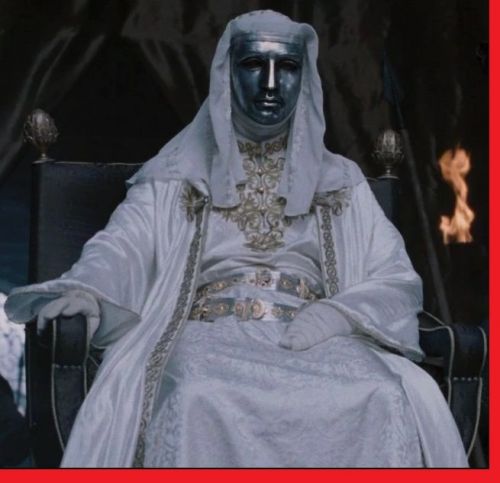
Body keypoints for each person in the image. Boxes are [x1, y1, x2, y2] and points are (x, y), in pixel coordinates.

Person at [5, 10, 468, 467]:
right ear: (228, 73)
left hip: (315, 337)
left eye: (287, 67)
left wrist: (337, 315)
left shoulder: (340, 181)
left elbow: (395, 278)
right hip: (208, 333)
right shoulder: (177, 172)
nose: (271, 84)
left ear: (305, 78)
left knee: (382, 393)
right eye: (254, 64)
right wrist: (89, 291)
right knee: (197, 395)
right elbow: (123, 247)